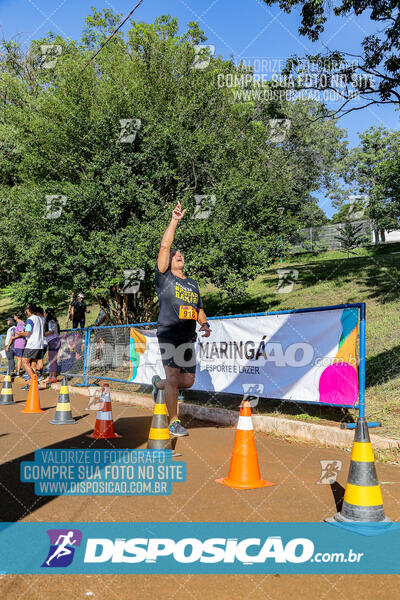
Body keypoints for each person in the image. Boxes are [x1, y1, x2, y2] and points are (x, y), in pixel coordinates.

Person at [152, 201, 211, 437]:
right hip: (169, 332)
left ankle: (158, 384)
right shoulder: (164, 276)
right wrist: (175, 220)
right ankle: (174, 421)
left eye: (181, 255)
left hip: (188, 336)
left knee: (188, 380)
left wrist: (204, 323)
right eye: (175, 255)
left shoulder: (192, 283)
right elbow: (165, 245)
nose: (178, 256)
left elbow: (198, 309)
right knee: (174, 377)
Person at [14, 303, 44, 390]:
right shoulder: (39, 318)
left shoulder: (30, 319)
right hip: (39, 344)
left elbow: (27, 333)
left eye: (26, 310)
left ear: (29, 310)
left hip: (32, 344)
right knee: (33, 364)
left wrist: (20, 333)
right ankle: (32, 384)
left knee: (24, 361)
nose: (26, 312)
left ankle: (34, 380)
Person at [43, 308, 60, 383]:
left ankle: (53, 376)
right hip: (52, 341)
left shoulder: (51, 322)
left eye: (45, 313)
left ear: (48, 314)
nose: (44, 314)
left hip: (54, 341)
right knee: (51, 359)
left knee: (52, 360)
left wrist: (43, 334)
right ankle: (50, 376)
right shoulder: (51, 321)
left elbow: (51, 331)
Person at [12, 312, 26, 377]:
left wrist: (14, 337)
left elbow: (21, 332)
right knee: (19, 358)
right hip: (20, 343)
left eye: (14, 316)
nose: (14, 317)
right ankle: (18, 372)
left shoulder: (20, 323)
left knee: (19, 359)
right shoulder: (21, 323)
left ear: (16, 316)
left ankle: (18, 373)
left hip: (19, 343)